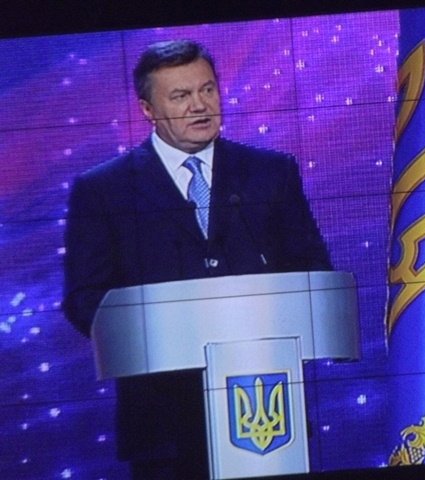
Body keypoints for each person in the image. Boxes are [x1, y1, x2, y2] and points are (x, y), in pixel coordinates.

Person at [63, 40, 332, 479]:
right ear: (148, 110)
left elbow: (313, 273)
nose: (200, 106)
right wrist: (166, 329)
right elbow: (84, 299)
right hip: (162, 425)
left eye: (208, 89)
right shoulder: (103, 191)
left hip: (264, 410)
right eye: (181, 96)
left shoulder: (270, 173)